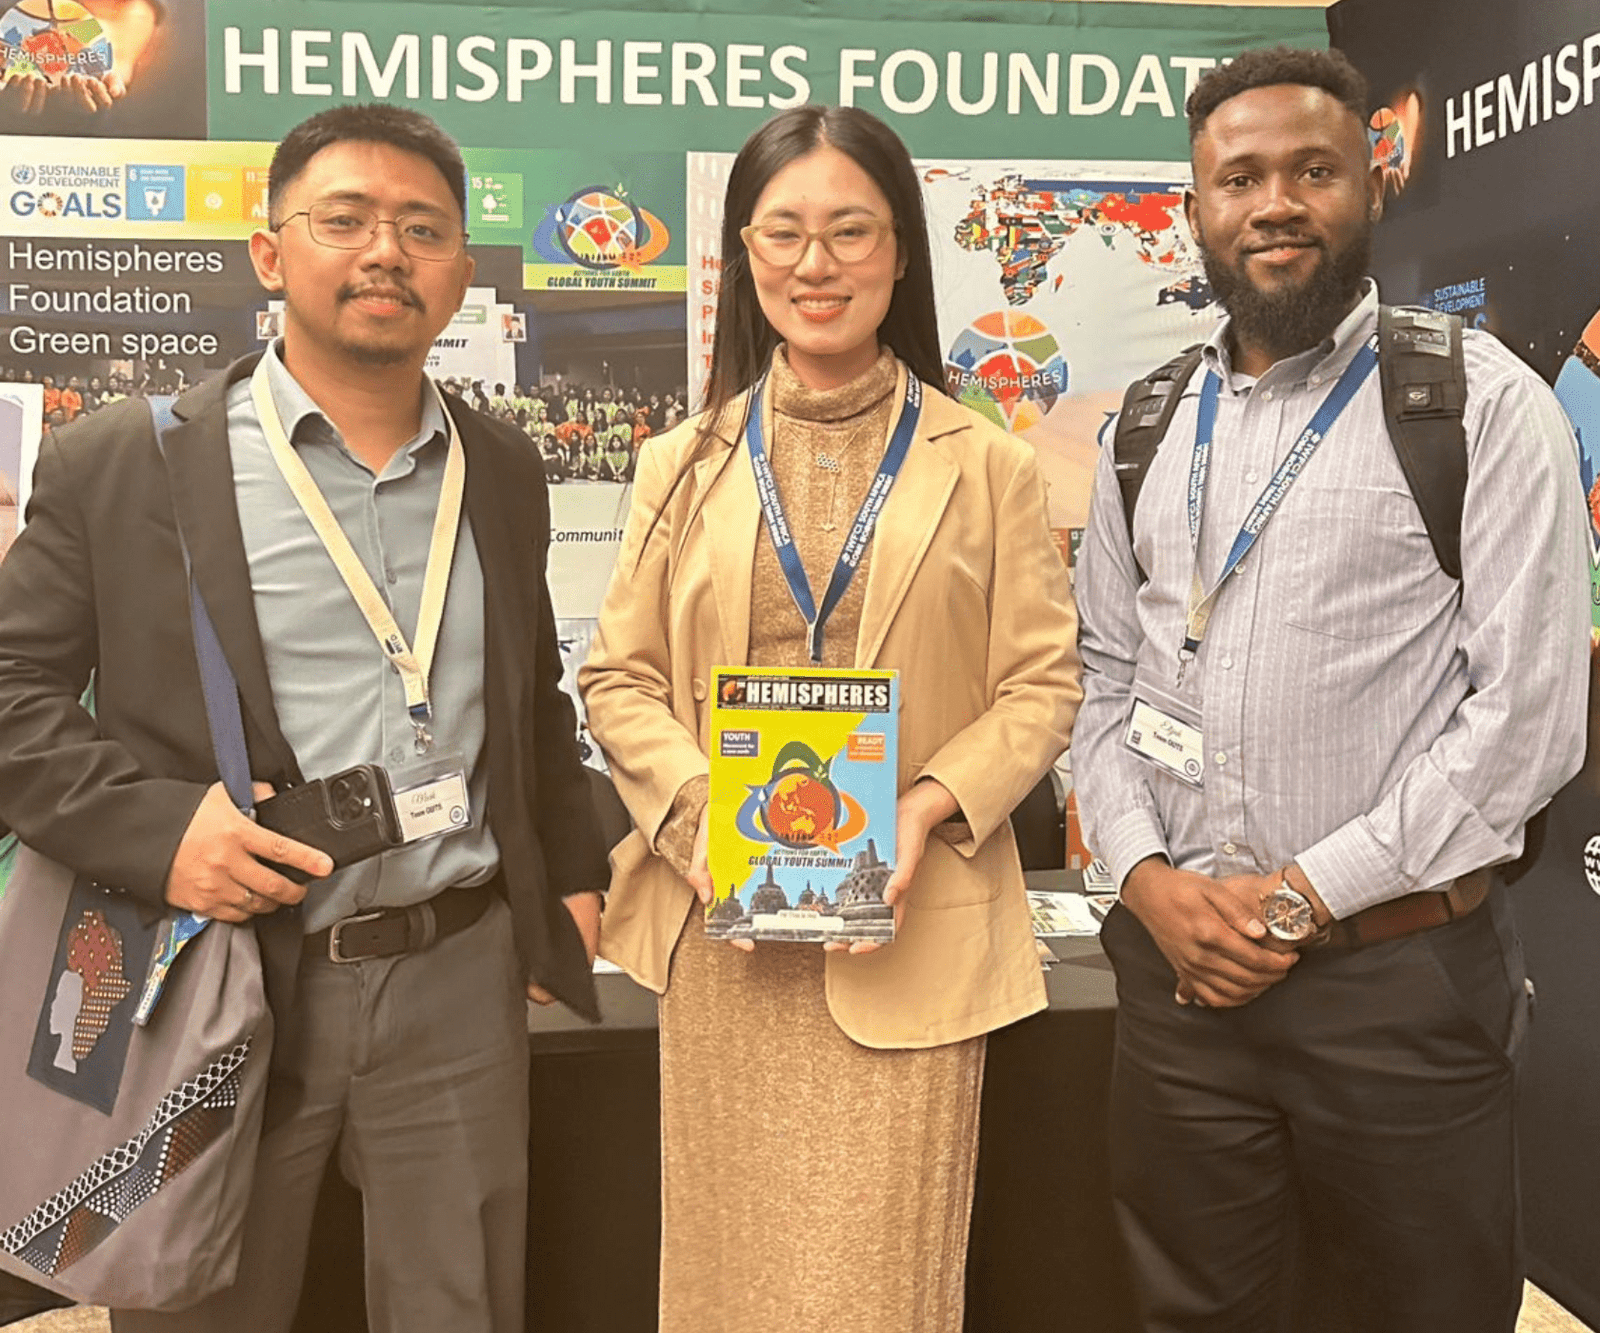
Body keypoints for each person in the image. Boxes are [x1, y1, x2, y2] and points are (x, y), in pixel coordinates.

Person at [0, 101, 608, 1333]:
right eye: (346, 219)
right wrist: (158, 831)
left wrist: (572, 864)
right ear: (271, 253)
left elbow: (526, 693)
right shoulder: (125, 461)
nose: (386, 251)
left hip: (455, 970)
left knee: (462, 1305)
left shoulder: (501, 467)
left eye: (422, 229)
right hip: (224, 970)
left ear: (459, 276)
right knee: (203, 1305)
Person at [1071, 46, 1590, 1333]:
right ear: (1194, 208)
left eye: (1312, 170)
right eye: (1238, 178)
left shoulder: (1478, 406)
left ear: (1372, 183)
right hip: (1180, 992)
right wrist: (1147, 880)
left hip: (1395, 989)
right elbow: (1101, 682)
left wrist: (1298, 898)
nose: (1275, 204)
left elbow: (1525, 725)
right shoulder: (1143, 429)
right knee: (1194, 1309)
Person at [579, 104, 1080, 1333]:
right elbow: (618, 679)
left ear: (900, 251)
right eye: (784, 232)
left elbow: (1041, 685)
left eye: (850, 231)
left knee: (881, 1289)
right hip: (726, 939)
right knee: (728, 1282)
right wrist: (704, 811)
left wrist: (924, 806)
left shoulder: (990, 464)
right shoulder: (680, 462)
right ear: (743, 254)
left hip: (906, 932)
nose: (816, 263)